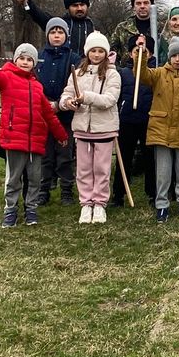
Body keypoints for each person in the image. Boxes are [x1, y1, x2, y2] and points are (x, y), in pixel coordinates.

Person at [0, 37, 68, 228]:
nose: (25, 62)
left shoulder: (38, 87)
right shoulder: (6, 78)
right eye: (22, 58)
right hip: (14, 139)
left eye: (29, 59)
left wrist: (61, 135)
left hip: (36, 142)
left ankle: (31, 209)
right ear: (15, 60)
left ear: (34, 64)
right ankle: (10, 211)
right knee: (13, 179)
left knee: (34, 179)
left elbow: (48, 114)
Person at [134, 37, 179, 222]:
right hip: (161, 129)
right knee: (163, 172)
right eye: (175, 55)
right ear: (169, 57)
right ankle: (162, 205)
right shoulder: (158, 74)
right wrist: (140, 56)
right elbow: (141, 75)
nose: (178, 59)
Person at [59, 32, 121, 225]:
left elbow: (110, 100)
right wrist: (68, 103)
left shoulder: (112, 74)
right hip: (82, 128)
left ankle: (100, 203)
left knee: (101, 168)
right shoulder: (77, 74)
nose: (96, 54)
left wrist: (86, 97)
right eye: (93, 51)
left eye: (100, 51)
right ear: (87, 52)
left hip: (104, 129)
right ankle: (86, 203)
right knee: (84, 168)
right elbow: (66, 94)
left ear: (105, 52)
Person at [36, 17, 81, 207]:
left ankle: (66, 191)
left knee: (65, 154)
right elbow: (34, 82)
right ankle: (43, 190)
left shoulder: (74, 58)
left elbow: (76, 83)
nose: (56, 36)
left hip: (65, 114)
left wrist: (62, 103)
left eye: (60, 32)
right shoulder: (39, 57)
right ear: (47, 35)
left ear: (66, 35)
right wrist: (46, 103)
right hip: (43, 114)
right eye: (53, 32)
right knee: (45, 155)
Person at [111, 35, 157, 208]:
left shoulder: (154, 73)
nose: (139, 54)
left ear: (150, 54)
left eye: (144, 51)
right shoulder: (122, 73)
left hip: (148, 120)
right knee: (124, 158)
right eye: (135, 51)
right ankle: (118, 195)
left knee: (150, 159)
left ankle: (153, 194)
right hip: (127, 120)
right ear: (130, 54)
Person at [14, 0, 95, 55]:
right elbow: (39, 16)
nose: (79, 8)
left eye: (82, 5)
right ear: (68, 7)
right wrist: (27, 2)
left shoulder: (92, 25)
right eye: (75, 5)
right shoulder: (60, 24)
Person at [109, 0, 166, 66]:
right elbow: (112, 52)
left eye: (146, 3)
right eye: (138, 3)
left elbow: (166, 53)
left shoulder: (161, 28)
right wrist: (119, 71)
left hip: (155, 74)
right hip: (127, 74)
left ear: (152, 5)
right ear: (133, 7)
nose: (142, 6)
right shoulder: (122, 28)